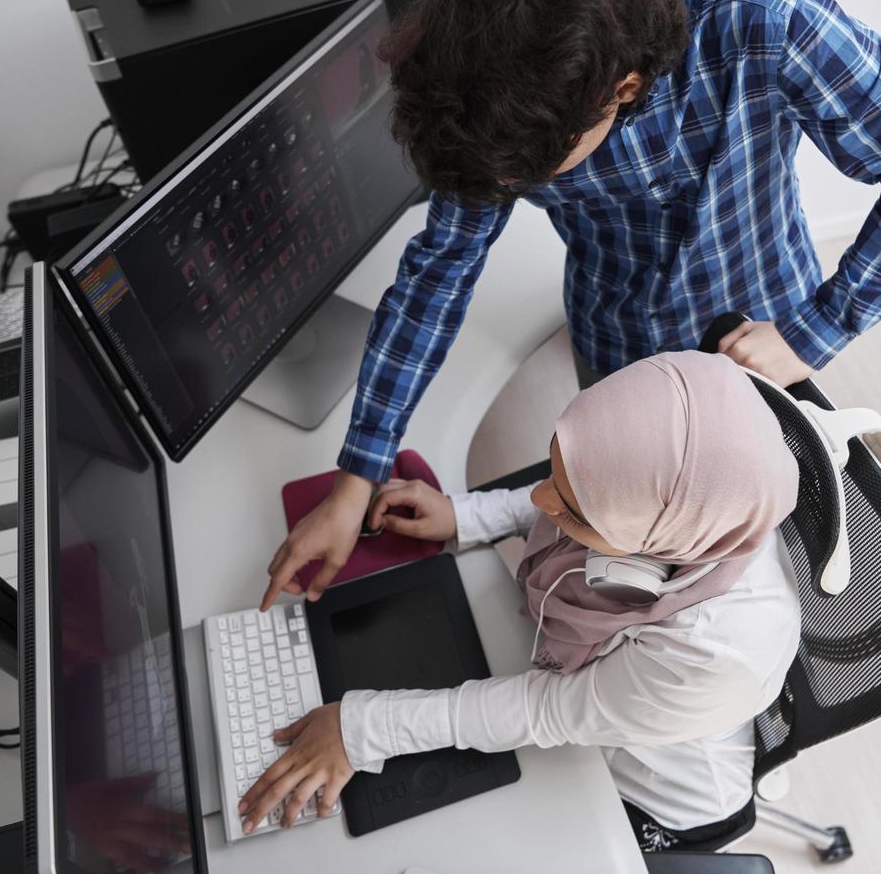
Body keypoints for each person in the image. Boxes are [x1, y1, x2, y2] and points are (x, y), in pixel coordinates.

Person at [259, 0, 881, 612]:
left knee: (741, 595)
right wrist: (357, 476)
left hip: (762, 352)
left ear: (623, 89)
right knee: (616, 582)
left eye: (532, 177)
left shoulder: (763, 19)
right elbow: (438, 274)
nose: (509, 191)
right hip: (614, 355)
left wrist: (812, 333)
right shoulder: (490, 94)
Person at [239, 350, 802, 851]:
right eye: (553, 465)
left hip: (649, 797)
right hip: (584, 700)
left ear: (660, 538)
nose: (539, 498)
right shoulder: (698, 508)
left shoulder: (717, 648)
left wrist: (359, 730)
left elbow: (547, 710)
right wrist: (466, 513)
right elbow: (572, 490)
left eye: (575, 512)